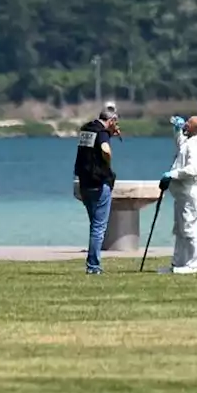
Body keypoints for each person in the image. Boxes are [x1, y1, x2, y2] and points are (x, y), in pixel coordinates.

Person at [158, 114, 197, 274]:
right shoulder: (191, 143)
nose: (184, 126)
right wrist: (177, 131)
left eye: (187, 124)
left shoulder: (195, 147)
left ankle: (194, 264)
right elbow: (181, 144)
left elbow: (193, 169)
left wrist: (172, 174)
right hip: (183, 193)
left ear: (194, 129)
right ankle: (178, 263)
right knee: (180, 228)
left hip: (191, 192)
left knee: (189, 227)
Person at [74, 101, 120, 275]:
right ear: (112, 120)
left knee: (94, 224)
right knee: (99, 227)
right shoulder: (102, 134)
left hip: (84, 182)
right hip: (99, 183)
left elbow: (91, 149)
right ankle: (93, 266)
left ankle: (92, 263)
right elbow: (105, 150)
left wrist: (109, 134)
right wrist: (107, 163)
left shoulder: (87, 129)